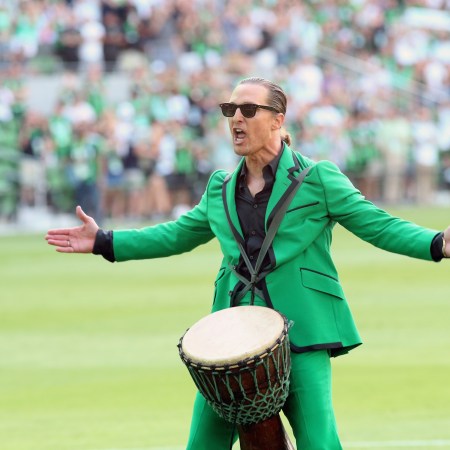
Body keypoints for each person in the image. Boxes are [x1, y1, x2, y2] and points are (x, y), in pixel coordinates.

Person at [45, 77, 450, 450]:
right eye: (230, 110)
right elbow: (175, 234)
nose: (236, 118)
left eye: (248, 110)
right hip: (230, 338)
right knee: (202, 444)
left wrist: (437, 242)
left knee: (319, 441)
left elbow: (378, 224)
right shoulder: (219, 186)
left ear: (278, 120)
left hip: (303, 331)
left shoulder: (319, 177)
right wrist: (103, 241)